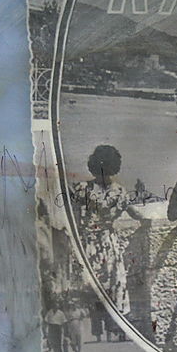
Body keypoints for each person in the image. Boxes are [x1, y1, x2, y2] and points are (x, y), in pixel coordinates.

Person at [69, 145, 142, 339]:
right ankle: (106, 326)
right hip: (101, 242)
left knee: (104, 283)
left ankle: (104, 326)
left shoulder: (84, 189)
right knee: (107, 283)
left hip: (96, 243)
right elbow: (134, 213)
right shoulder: (117, 191)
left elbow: (74, 218)